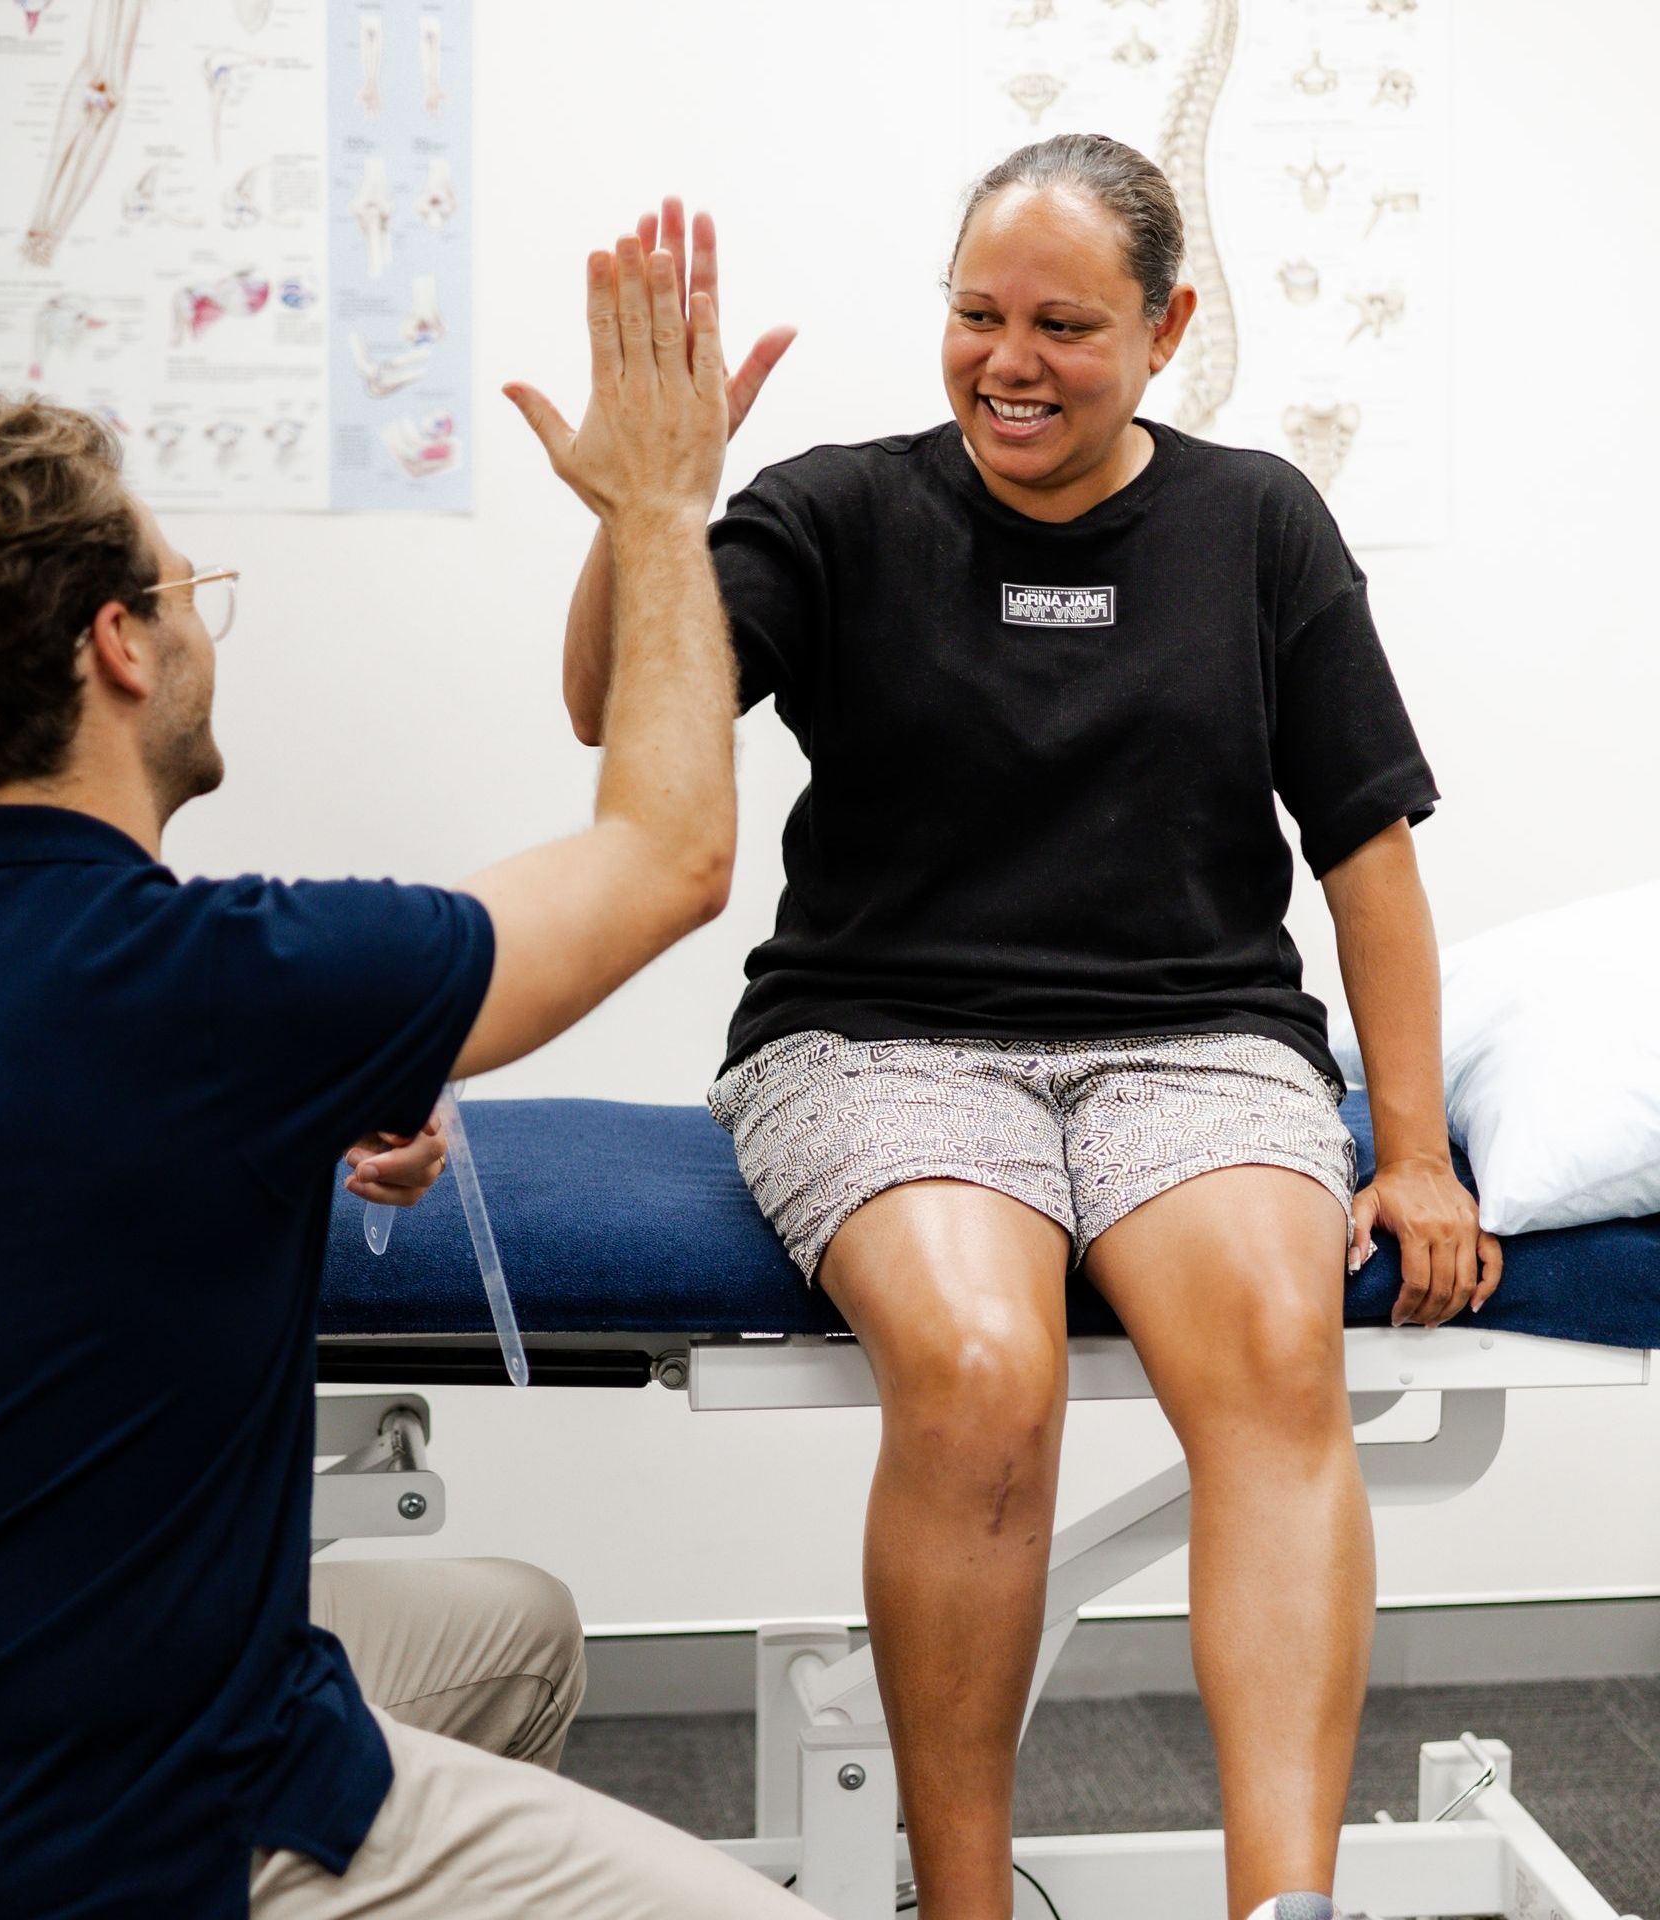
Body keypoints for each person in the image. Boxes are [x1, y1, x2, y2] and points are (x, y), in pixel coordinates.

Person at [0, 223, 807, 1917]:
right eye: (189, 594)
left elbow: (70, 1178)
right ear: (119, 646)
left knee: (515, 1631)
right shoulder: (220, 985)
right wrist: (663, 507)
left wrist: (313, 1114)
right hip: (162, 1830)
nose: (201, 630)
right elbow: (671, 852)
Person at [561, 145, 1504, 1920]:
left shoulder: (1258, 524)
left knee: (1275, 1347)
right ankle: (968, 1903)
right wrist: (648, 518)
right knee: (984, 1374)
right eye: (978, 315)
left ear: (1167, 330)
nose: (1012, 358)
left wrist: (1411, 1145)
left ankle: (1282, 1904)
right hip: (877, 1041)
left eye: (1066, 324)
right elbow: (618, 699)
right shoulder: (837, 512)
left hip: (1195, 1038)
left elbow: (1367, 852)